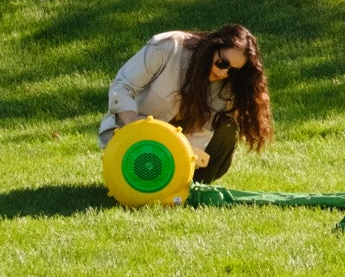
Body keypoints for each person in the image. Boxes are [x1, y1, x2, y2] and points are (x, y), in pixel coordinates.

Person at [99, 25, 273, 182]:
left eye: (233, 71)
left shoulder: (226, 86)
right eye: (222, 63)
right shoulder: (167, 47)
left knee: (228, 127)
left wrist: (179, 161)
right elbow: (122, 87)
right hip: (131, 135)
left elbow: (202, 133)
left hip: (178, 145)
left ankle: (192, 187)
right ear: (212, 47)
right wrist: (138, 127)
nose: (223, 73)